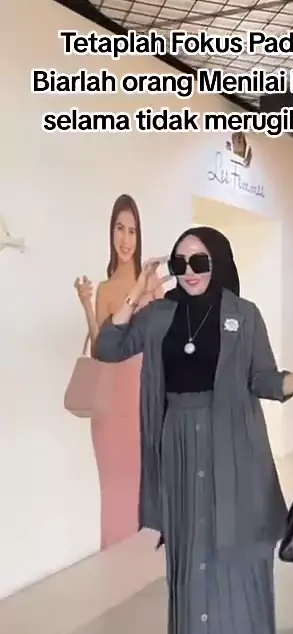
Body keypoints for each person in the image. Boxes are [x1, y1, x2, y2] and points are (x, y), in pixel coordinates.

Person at [94, 226, 293, 634]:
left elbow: (264, 380)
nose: (189, 272)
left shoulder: (243, 315)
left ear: (218, 261)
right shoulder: (158, 315)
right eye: (179, 264)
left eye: (199, 261)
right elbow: (108, 348)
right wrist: (137, 293)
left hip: (234, 450)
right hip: (178, 451)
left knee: (239, 561)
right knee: (190, 560)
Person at [74, 194, 164, 549]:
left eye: (132, 231)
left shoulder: (152, 283)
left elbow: (165, 340)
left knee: (147, 499)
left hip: (146, 404)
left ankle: (144, 571)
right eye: (119, 229)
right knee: (115, 501)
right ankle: (115, 570)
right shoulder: (106, 289)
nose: (125, 239)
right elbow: (101, 350)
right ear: (111, 233)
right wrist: (87, 305)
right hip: (111, 412)